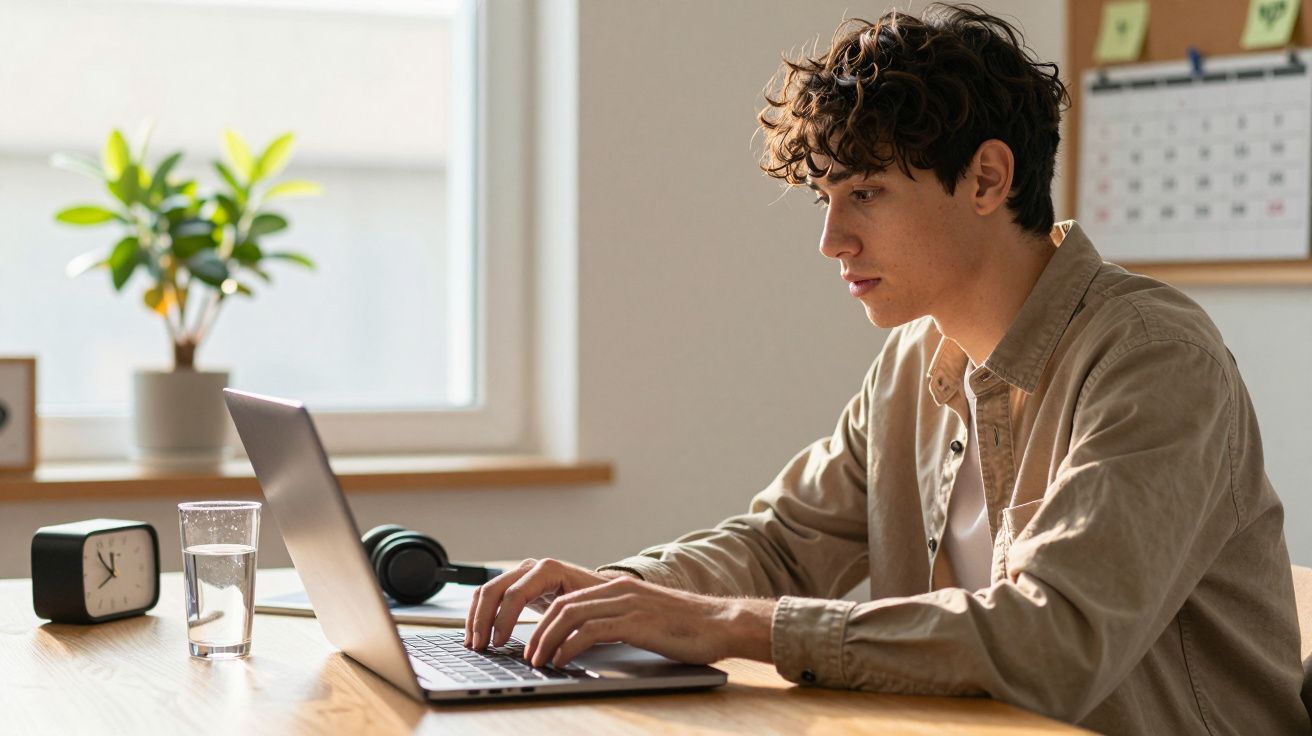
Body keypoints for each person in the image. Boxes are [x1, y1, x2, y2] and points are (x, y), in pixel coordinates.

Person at [464, 4, 1310, 733]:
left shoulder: (1154, 359)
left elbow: (1054, 639)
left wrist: (722, 623)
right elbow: (786, 544)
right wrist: (616, 593)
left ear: (987, 178)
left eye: (864, 193)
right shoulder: (913, 359)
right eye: (824, 199)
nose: (830, 241)